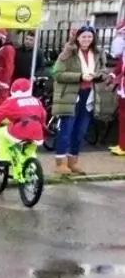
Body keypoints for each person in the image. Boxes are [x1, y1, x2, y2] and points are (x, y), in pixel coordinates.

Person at [51, 25, 108, 175]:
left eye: (89, 36)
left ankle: (73, 161)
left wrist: (98, 76)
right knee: (66, 130)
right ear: (78, 38)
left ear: (93, 38)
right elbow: (57, 73)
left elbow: (104, 70)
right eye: (83, 36)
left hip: (88, 96)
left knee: (80, 131)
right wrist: (80, 77)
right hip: (70, 96)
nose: (86, 39)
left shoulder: (97, 53)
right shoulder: (68, 52)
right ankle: (60, 163)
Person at [0, 78, 47, 168]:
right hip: (37, 131)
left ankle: (4, 157)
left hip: (20, 130)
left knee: (1, 133)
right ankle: (31, 162)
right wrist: (42, 125)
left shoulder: (11, 101)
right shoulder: (36, 101)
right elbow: (43, 115)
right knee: (30, 151)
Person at [108, 20, 125, 157]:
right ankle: (121, 144)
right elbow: (120, 65)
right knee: (122, 116)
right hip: (123, 87)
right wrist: (113, 75)